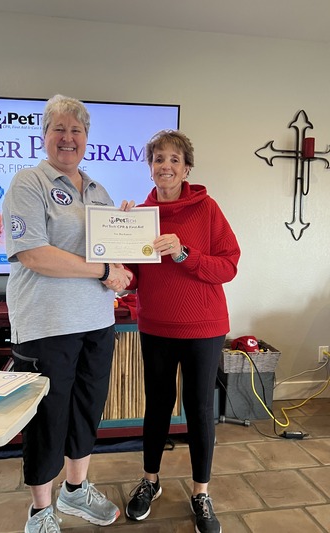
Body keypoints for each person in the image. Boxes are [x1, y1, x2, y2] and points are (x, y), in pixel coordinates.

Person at [2, 94, 133, 533]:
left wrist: (126, 235)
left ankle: (75, 490)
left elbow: (109, 256)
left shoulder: (98, 190)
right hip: (47, 325)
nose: (68, 137)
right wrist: (103, 270)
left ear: (86, 138)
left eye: (76, 130)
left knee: (86, 409)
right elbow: (34, 254)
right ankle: (40, 511)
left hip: (98, 321)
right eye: (59, 128)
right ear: (44, 135)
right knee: (47, 417)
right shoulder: (29, 183)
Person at [124, 130, 240, 533]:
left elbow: (229, 265)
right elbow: (133, 277)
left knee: (200, 408)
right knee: (157, 404)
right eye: (158, 158)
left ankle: (201, 492)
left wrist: (184, 253)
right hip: (156, 325)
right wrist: (117, 246)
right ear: (150, 167)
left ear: (187, 168)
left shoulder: (207, 209)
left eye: (174, 159)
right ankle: (150, 481)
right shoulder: (140, 215)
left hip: (204, 327)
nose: (166, 166)